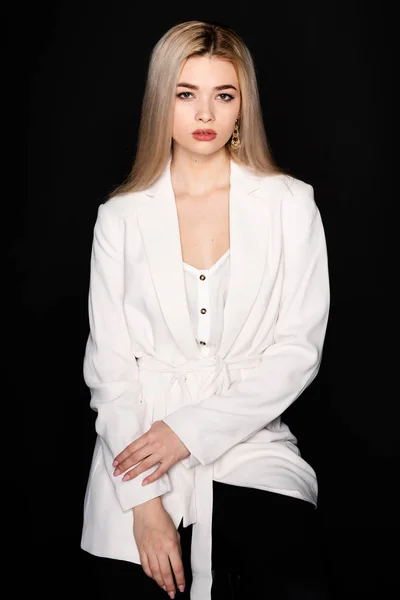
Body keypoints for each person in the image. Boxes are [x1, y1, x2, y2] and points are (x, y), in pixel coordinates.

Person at [80, 19, 330, 600]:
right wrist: (144, 506)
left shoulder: (290, 205)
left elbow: (298, 351)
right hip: (135, 452)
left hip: (250, 441)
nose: (205, 114)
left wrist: (189, 432)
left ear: (243, 106)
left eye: (224, 95)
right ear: (160, 101)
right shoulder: (119, 217)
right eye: (185, 94)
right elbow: (110, 373)